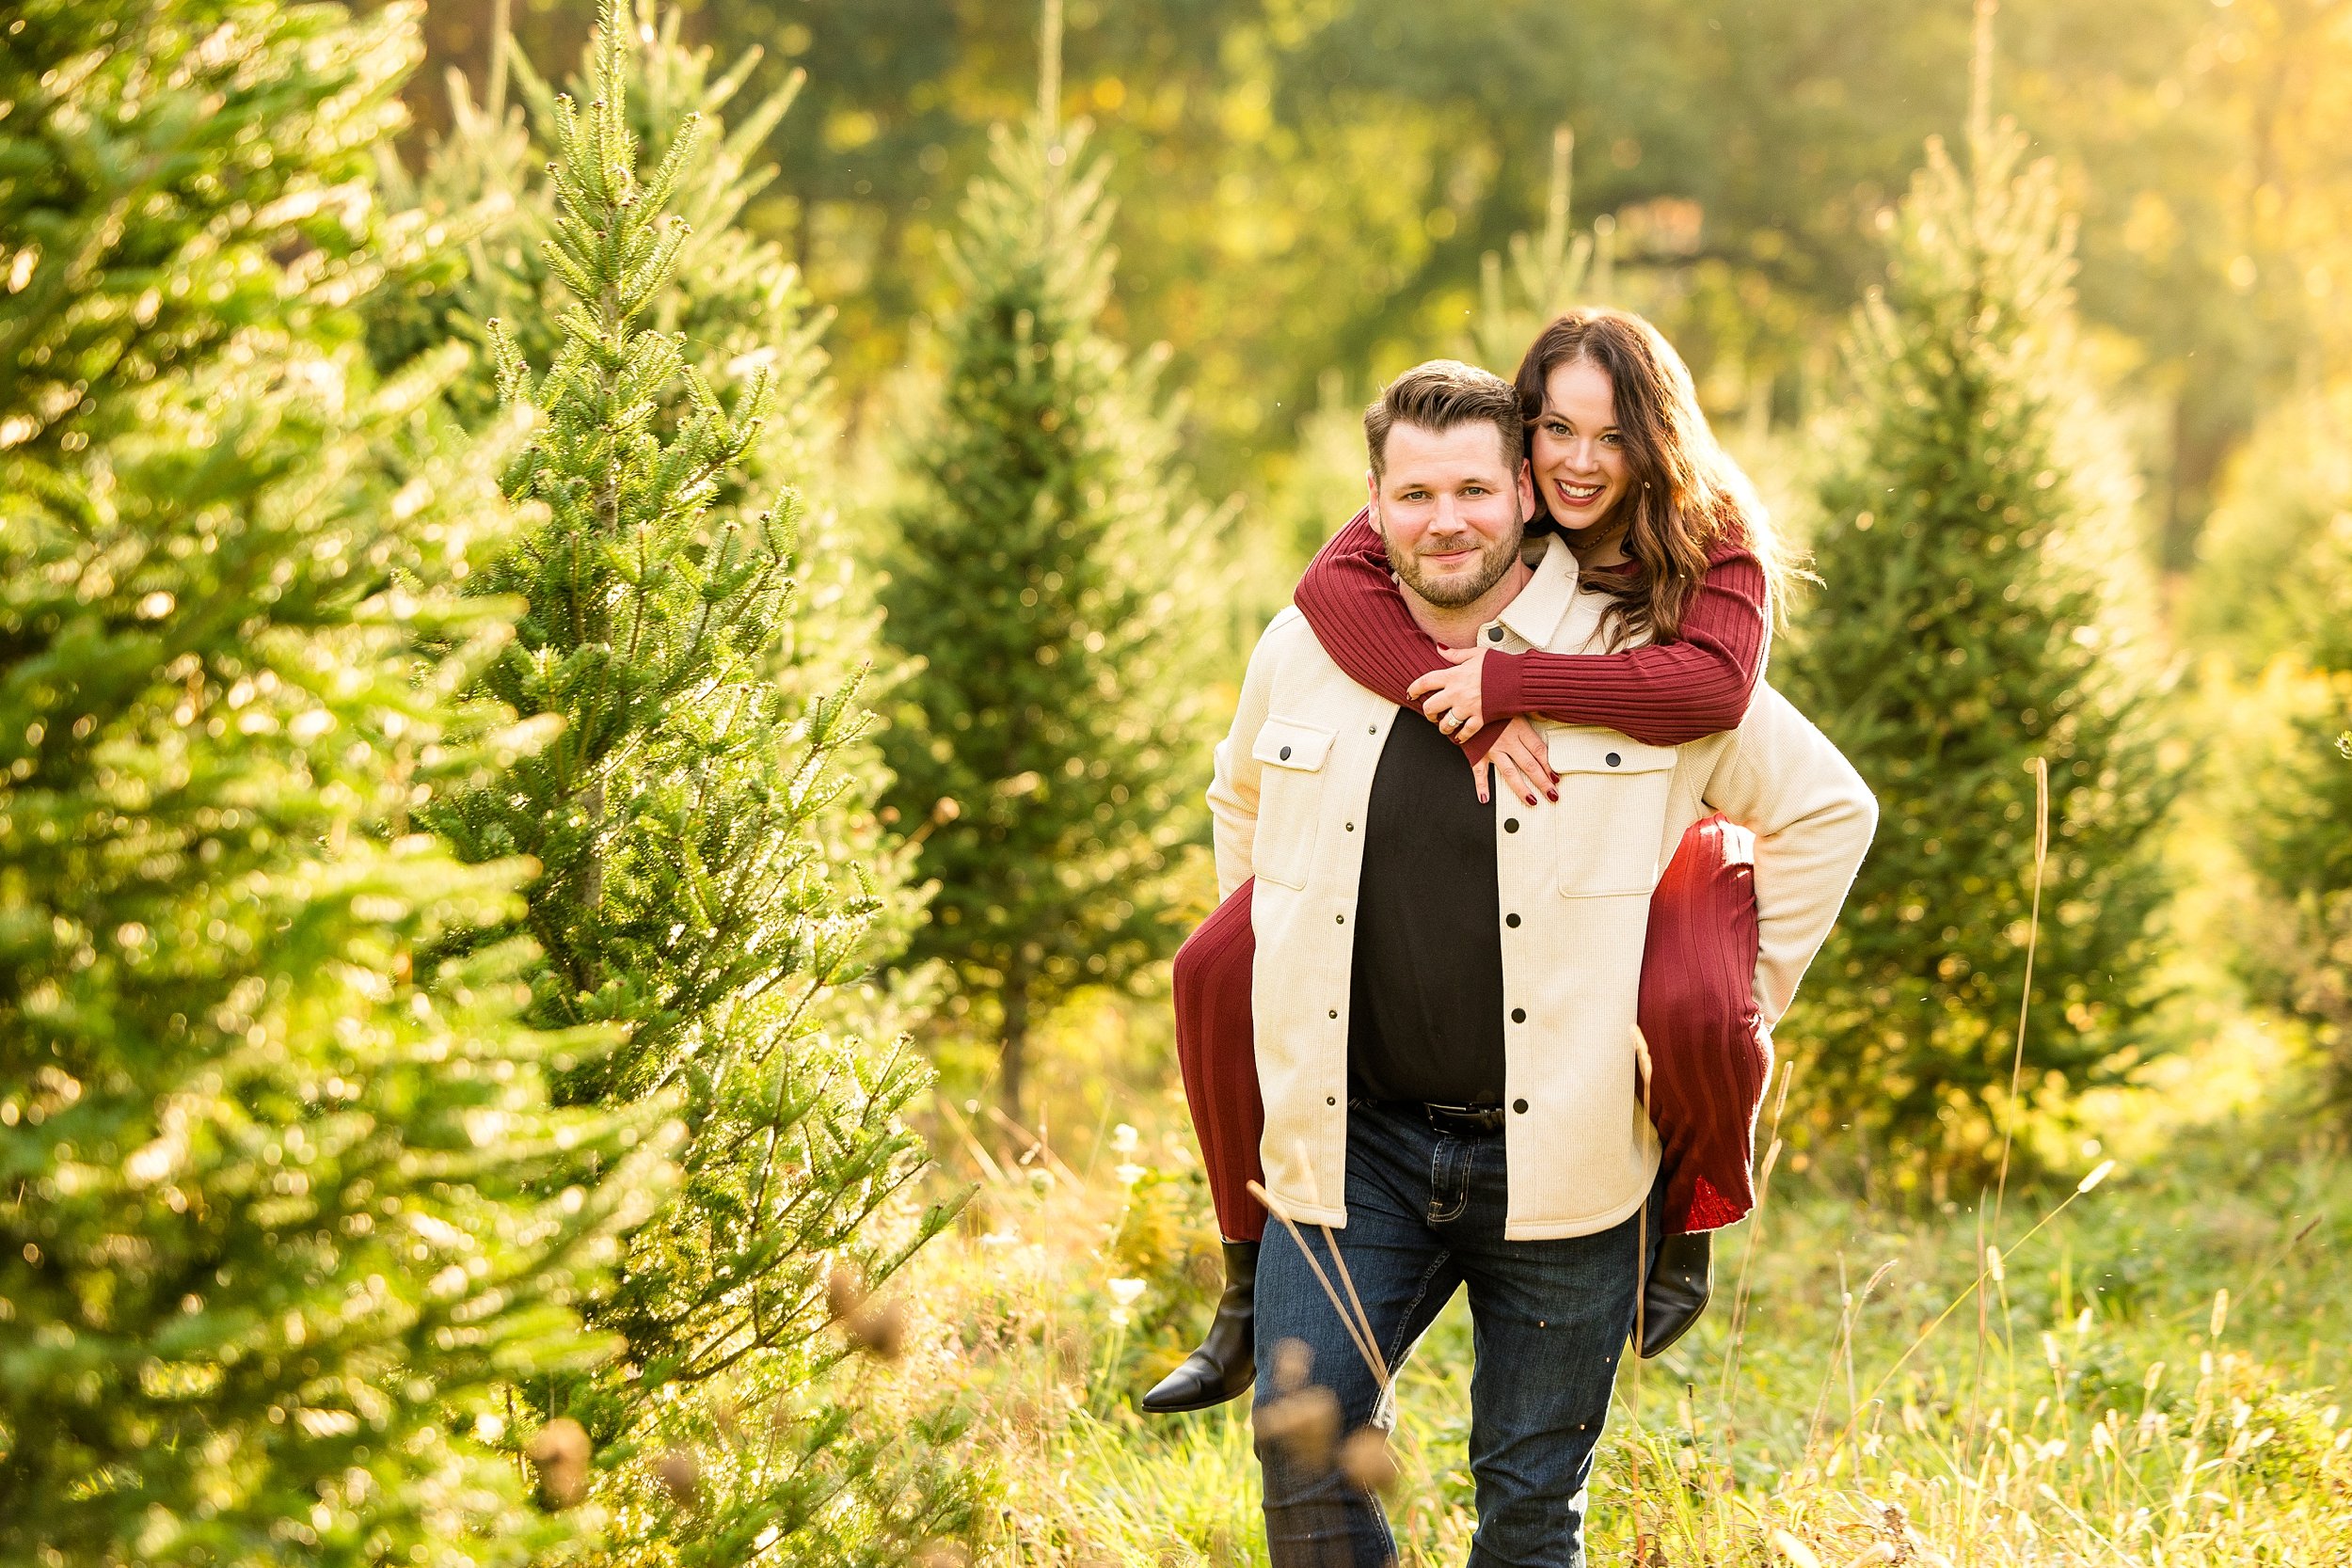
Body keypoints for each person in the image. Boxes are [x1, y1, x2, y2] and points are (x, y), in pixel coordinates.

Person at [1190, 351, 1874, 1567]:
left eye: (1472, 490)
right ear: (1373, 499)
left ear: (1523, 489)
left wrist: (1728, 1001)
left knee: (1527, 1506)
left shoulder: (1635, 647)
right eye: (1413, 495)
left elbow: (1827, 810)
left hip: (1565, 1162)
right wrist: (1285, 953)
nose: (1443, 520)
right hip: (1356, 1152)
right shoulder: (1300, 644)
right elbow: (1237, 798)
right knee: (1301, 1454)